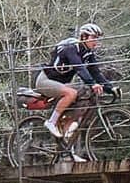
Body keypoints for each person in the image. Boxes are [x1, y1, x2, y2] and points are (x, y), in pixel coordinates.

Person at [36, 22, 112, 159]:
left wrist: (110, 88)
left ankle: (67, 152)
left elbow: (96, 73)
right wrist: (92, 84)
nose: (96, 41)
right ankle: (51, 122)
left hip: (60, 84)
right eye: (93, 37)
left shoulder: (88, 54)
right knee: (72, 93)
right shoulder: (71, 48)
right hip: (45, 81)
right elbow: (79, 67)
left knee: (74, 114)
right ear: (84, 37)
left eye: (97, 38)